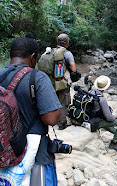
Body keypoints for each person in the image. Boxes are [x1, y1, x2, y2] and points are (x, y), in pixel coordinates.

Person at [0, 34, 61, 185]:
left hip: (3, 150)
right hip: (34, 151)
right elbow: (51, 119)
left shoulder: (1, 74)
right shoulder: (37, 77)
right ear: (33, 57)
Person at [89, 75, 117, 152]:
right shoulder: (101, 99)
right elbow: (110, 118)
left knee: (105, 120)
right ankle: (114, 142)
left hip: (90, 119)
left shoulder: (92, 92)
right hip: (96, 122)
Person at [56, 33, 78, 130]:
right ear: (67, 43)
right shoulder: (67, 53)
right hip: (63, 82)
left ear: (57, 41)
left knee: (55, 100)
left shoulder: (52, 52)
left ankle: (53, 120)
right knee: (64, 102)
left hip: (52, 82)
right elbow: (73, 69)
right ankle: (61, 124)